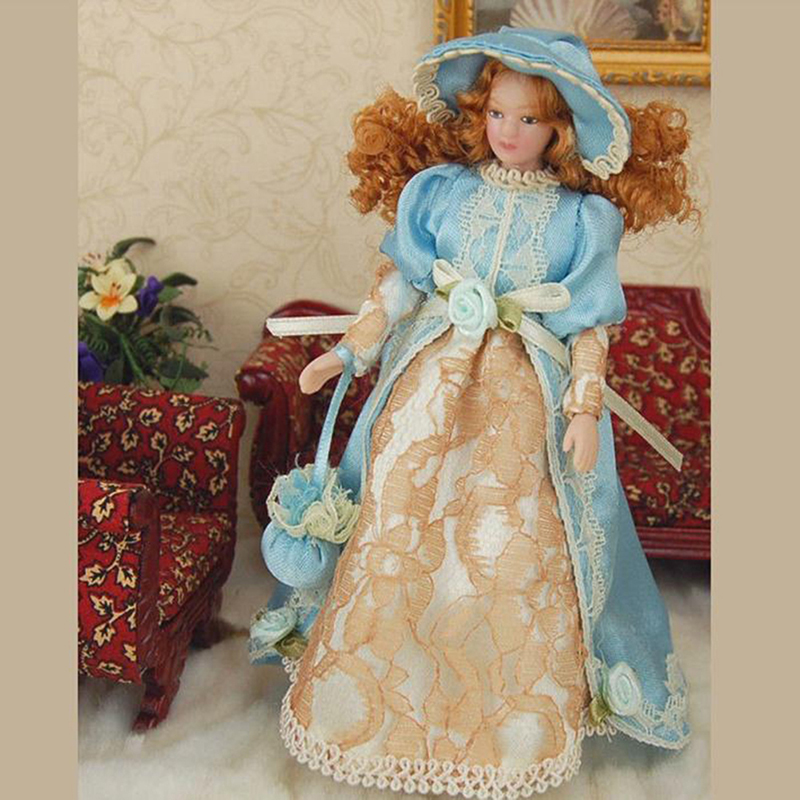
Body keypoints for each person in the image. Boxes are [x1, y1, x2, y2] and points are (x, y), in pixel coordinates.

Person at [272, 28, 698, 797]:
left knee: (509, 533)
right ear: (478, 112)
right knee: (397, 508)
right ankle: (370, 696)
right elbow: (397, 285)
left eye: (528, 119)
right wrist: (350, 351)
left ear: (558, 130)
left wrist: (582, 409)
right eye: (498, 113)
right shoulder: (442, 191)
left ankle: (506, 721)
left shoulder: (580, 219)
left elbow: (589, 325)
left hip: (523, 395)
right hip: (431, 379)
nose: (509, 130)